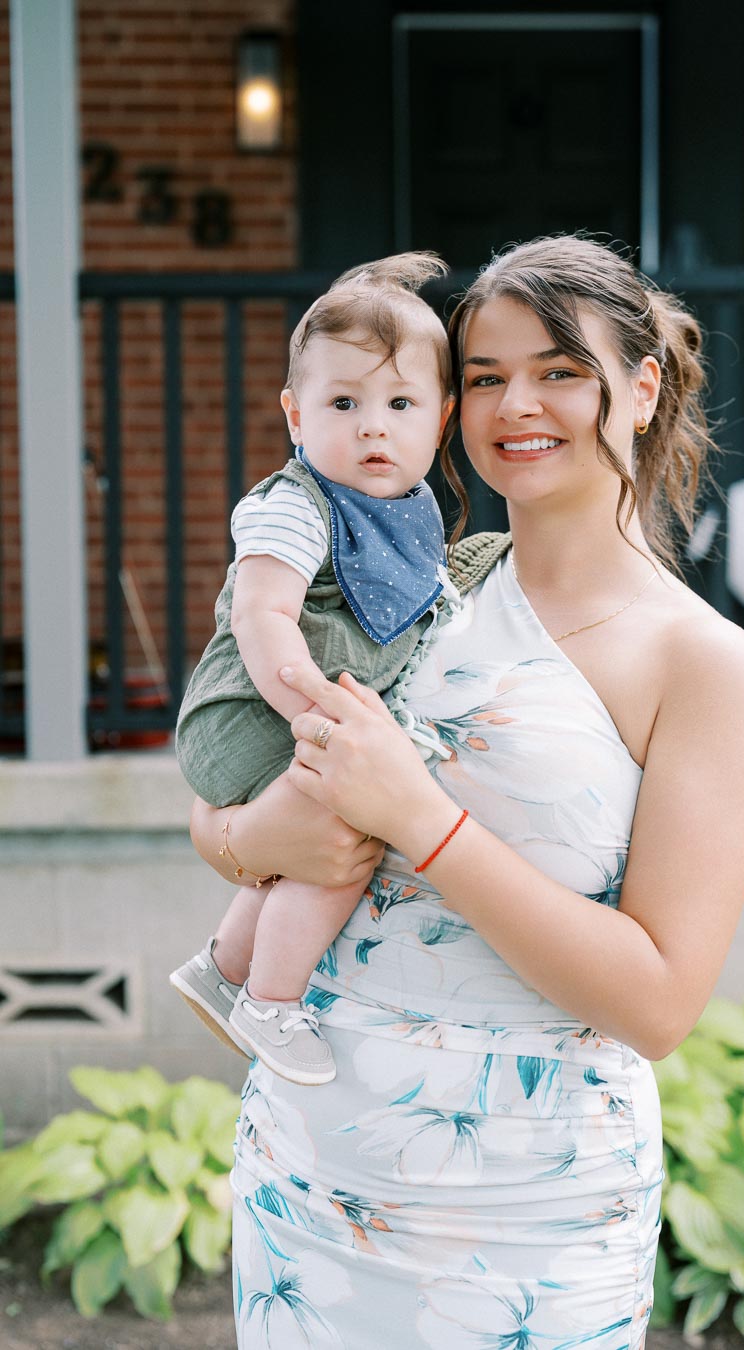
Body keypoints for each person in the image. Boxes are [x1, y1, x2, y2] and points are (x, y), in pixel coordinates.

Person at [189, 235, 744, 1348]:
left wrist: (422, 819)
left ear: (641, 388)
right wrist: (260, 833)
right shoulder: (415, 586)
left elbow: (657, 1004)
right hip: (311, 1167)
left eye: (559, 369)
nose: (518, 404)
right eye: (482, 376)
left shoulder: (704, 667)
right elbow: (224, 803)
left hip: (529, 1206)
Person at [170, 252, 472, 1085]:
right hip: (251, 712)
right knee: (355, 822)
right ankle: (270, 1000)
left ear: (439, 421)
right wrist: (313, 708)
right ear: (296, 416)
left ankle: (221, 967)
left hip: (291, 715)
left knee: (335, 823)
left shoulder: (407, 520)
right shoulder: (293, 507)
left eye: (401, 404)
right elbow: (262, 616)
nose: (374, 426)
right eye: (344, 403)